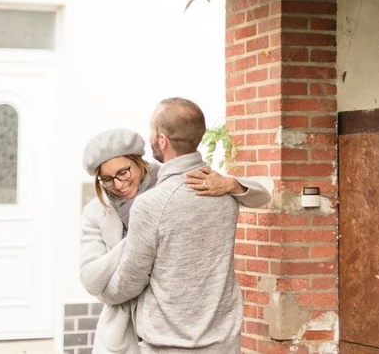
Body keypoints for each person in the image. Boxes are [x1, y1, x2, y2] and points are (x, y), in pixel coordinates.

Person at [79, 123, 270, 354]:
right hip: (122, 332)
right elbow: (90, 277)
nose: (118, 184)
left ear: (138, 161)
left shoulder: (173, 183)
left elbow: (262, 195)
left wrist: (230, 183)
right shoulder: (96, 212)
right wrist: (139, 236)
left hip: (172, 328)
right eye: (107, 180)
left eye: (123, 172)